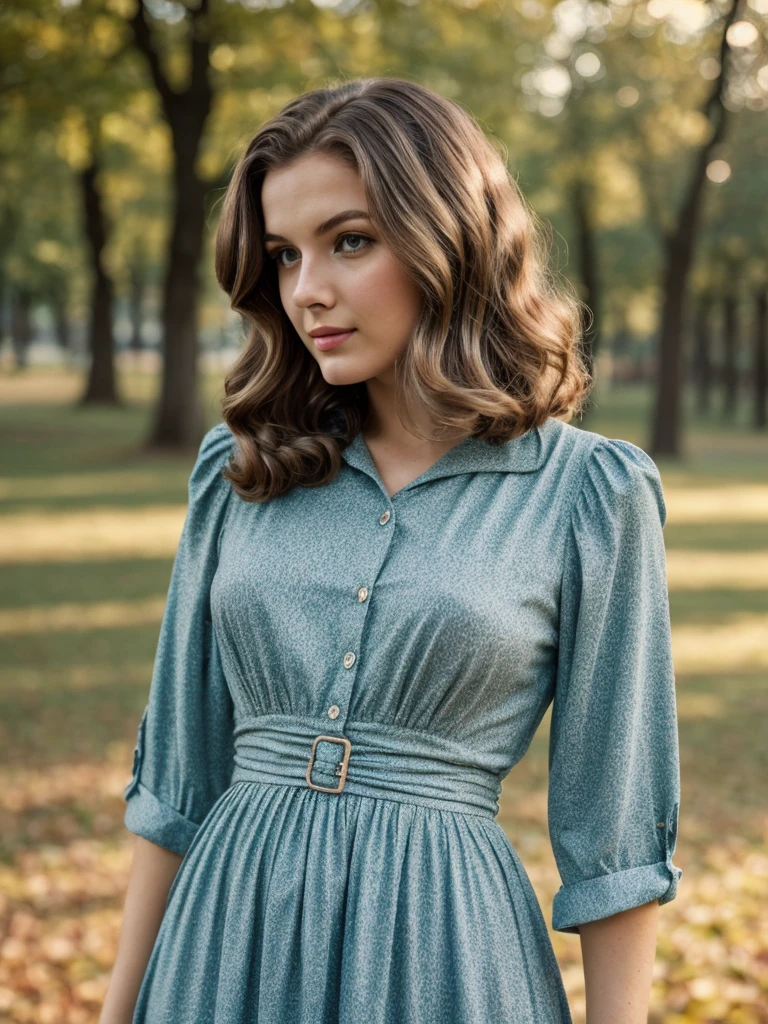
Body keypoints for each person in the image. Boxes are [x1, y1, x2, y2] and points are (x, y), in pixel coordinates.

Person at [99, 77, 682, 1024]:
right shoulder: (241, 471)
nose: (307, 291)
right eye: (285, 256)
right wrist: (118, 1012)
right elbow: (176, 780)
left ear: (449, 240)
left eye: (350, 241)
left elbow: (615, 838)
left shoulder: (589, 496)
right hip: (222, 948)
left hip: (445, 955)